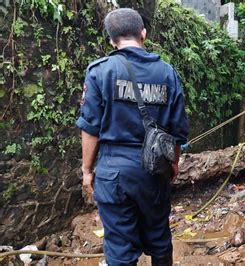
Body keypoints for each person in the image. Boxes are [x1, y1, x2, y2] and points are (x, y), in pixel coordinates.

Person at [77, 8, 189, 266]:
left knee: (119, 248)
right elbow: (178, 131)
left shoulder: (99, 72)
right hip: (154, 170)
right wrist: (173, 164)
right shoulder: (167, 73)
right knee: (160, 238)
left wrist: (86, 171)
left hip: (113, 171)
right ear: (143, 34)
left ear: (111, 40)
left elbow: (90, 127)